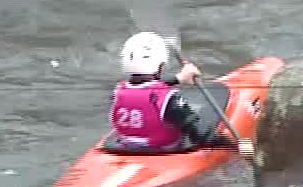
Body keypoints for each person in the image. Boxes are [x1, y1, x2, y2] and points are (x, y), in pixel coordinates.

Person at [103, 32, 243, 155]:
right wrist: (236, 145)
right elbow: (201, 136)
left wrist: (179, 78)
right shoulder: (170, 101)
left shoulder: (117, 93)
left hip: (125, 149)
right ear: (162, 66)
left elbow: (142, 91)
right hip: (163, 151)